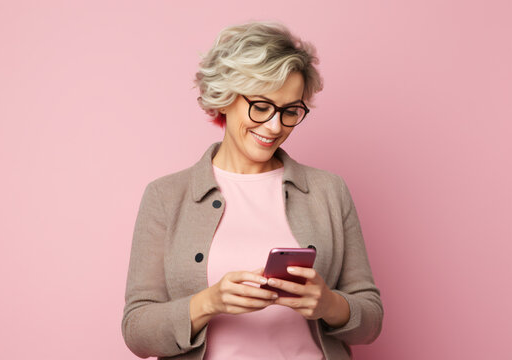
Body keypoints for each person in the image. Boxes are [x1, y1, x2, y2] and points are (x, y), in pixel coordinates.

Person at [121, 21, 383, 360]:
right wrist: (208, 303)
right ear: (225, 97)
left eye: (290, 111)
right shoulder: (166, 197)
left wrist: (329, 304)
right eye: (261, 106)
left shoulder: (328, 191)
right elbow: (136, 331)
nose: (275, 126)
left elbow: (372, 320)